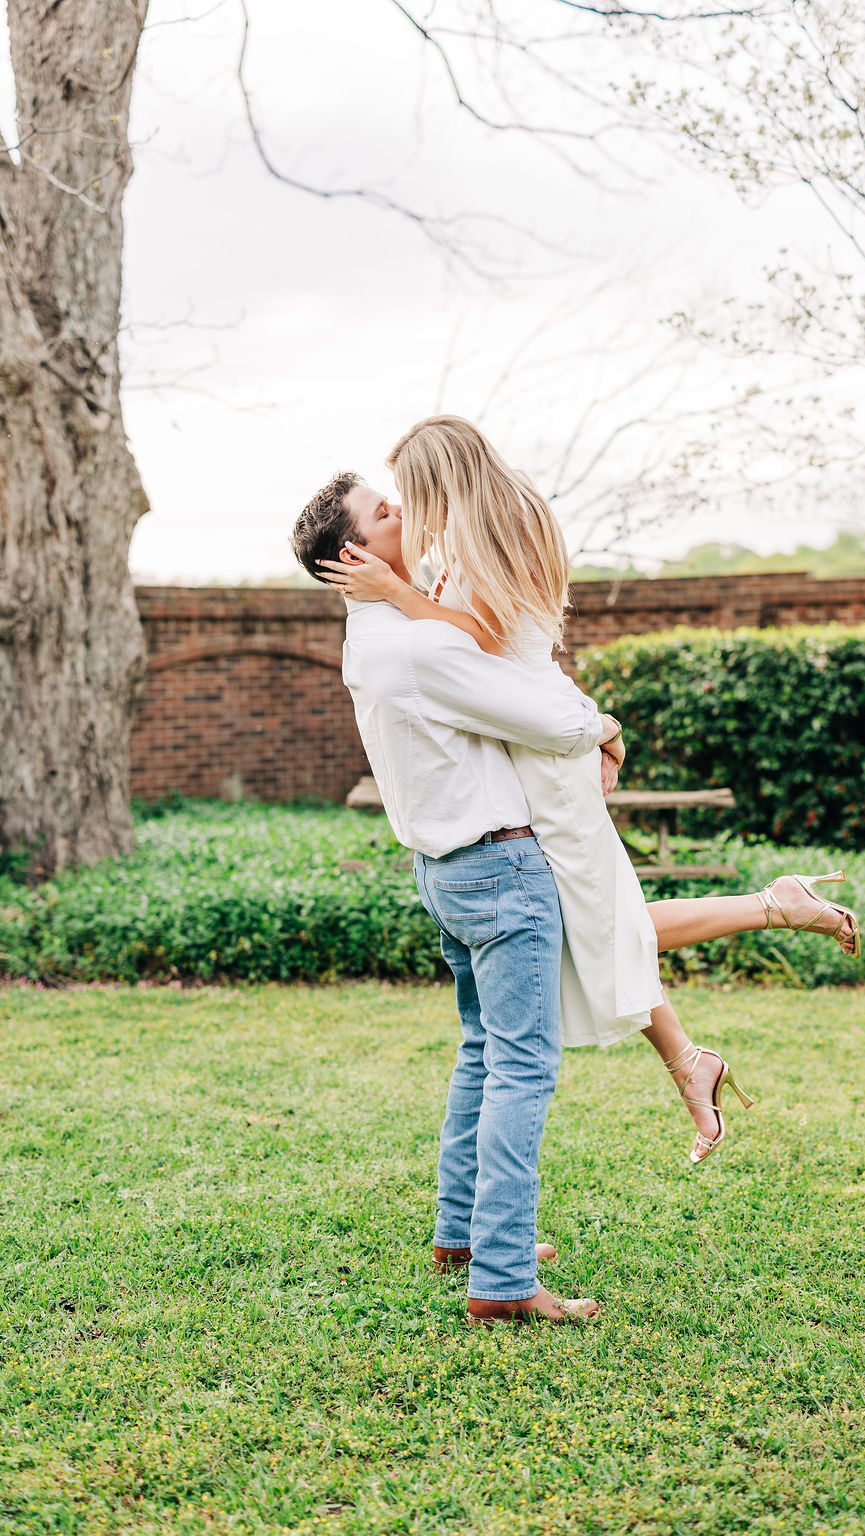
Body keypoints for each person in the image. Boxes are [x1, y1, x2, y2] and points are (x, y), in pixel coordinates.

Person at [305, 422, 860, 1170]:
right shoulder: (498, 517)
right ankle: (704, 1038)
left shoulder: (484, 534)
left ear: (443, 477)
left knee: (600, 923)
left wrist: (401, 593)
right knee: (596, 922)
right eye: (390, 506)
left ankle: (766, 926)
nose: (407, 509)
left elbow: (484, 643)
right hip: (538, 729)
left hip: (543, 745)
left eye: (408, 493)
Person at [291, 475, 619, 1325]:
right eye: (385, 511)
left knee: (483, 1052)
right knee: (522, 1065)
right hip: (500, 871)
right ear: (354, 553)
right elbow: (544, 719)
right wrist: (605, 726)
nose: (404, 508)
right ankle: (505, 1280)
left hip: (445, 873)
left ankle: (463, 1235)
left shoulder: (375, 637)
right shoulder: (414, 647)